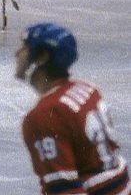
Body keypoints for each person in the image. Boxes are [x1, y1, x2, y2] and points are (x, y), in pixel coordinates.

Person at [16, 22, 130, 195]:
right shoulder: (88, 89)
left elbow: (65, 190)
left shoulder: (45, 115)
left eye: (25, 47)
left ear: (42, 56)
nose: (17, 53)